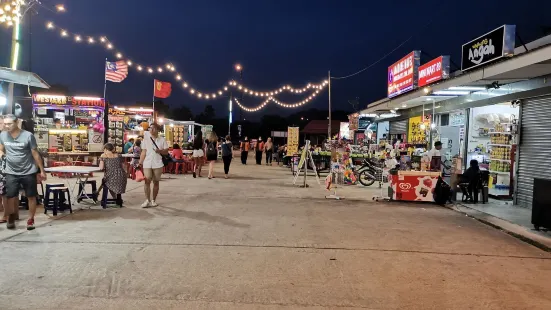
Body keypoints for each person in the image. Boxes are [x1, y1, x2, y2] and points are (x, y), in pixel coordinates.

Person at [0, 114, 47, 230]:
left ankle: (30, 220)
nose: (6, 126)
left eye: (9, 124)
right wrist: (1, 154)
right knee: (10, 196)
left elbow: (35, 153)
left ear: (16, 123)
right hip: (11, 171)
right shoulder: (3, 135)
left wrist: (41, 170)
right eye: (5, 123)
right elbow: (1, 148)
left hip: (28, 171)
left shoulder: (28, 136)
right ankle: (11, 216)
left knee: (31, 196)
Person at [138, 123, 168, 208]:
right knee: (147, 181)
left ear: (158, 130)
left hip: (158, 163)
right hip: (147, 163)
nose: (151, 130)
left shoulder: (162, 140)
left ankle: (153, 200)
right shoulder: (146, 140)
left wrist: (160, 151)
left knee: (156, 182)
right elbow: (143, 152)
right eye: (150, 128)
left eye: (154, 128)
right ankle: (147, 199)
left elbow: (166, 152)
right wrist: (140, 163)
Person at [98, 143, 127, 207]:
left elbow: (101, 167)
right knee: (111, 181)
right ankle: (118, 199)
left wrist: (101, 159)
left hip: (111, 177)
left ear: (105, 149)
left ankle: (113, 198)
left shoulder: (103, 156)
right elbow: (123, 166)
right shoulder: (118, 155)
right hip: (122, 177)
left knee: (106, 182)